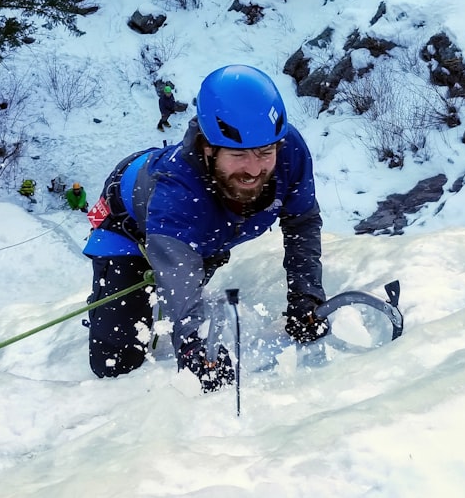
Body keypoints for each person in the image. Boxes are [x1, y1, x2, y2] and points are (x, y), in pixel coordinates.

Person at [82, 64, 328, 392]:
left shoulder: (288, 151)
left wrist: (306, 296)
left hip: (201, 232)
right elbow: (181, 283)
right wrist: (194, 349)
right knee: (114, 363)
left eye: (264, 152)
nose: (254, 168)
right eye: (239, 154)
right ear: (208, 148)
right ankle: (107, 297)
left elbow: (302, 221)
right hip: (129, 223)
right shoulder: (177, 196)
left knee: (192, 265)